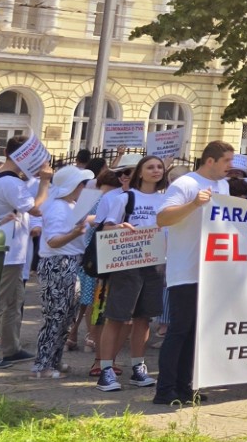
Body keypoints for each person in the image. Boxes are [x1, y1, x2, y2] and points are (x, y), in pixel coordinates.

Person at [152, 141, 233, 406]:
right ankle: (164, 390)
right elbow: (163, 218)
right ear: (210, 161)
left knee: (195, 332)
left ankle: (185, 388)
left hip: (209, 271)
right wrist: (194, 205)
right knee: (179, 330)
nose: (230, 167)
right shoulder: (185, 184)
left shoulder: (224, 186)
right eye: (226, 161)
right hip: (184, 269)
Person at [92, 154, 167, 392]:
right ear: (140, 172)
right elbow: (106, 227)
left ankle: (138, 367)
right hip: (128, 262)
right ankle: (106, 369)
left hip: (154, 262)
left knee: (143, 318)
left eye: (159, 167)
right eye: (150, 167)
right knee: (117, 317)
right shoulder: (126, 198)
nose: (156, 171)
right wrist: (119, 226)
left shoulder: (167, 200)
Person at [0, 146, 46, 369]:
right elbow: (36, 209)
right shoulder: (11, 182)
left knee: (14, 302)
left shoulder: (3, 176)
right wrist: (45, 182)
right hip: (7, 251)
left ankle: (11, 348)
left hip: (13, 250)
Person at [31, 165, 97, 380]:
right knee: (55, 316)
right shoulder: (58, 207)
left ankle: (54, 360)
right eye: (81, 184)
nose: (84, 187)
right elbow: (53, 241)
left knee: (67, 316)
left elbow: (81, 220)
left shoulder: (69, 204)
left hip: (69, 263)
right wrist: (75, 233)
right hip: (58, 264)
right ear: (73, 186)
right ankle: (42, 365)